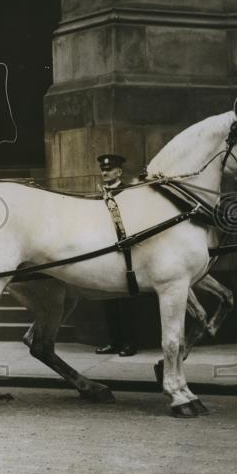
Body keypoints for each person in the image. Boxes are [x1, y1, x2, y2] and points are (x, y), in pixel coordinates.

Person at [94, 153, 138, 357]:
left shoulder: (128, 192)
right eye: (103, 169)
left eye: (109, 169)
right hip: (105, 248)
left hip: (126, 249)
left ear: (119, 172)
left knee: (126, 300)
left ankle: (129, 344)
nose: (105, 172)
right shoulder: (98, 194)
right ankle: (114, 341)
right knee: (108, 298)